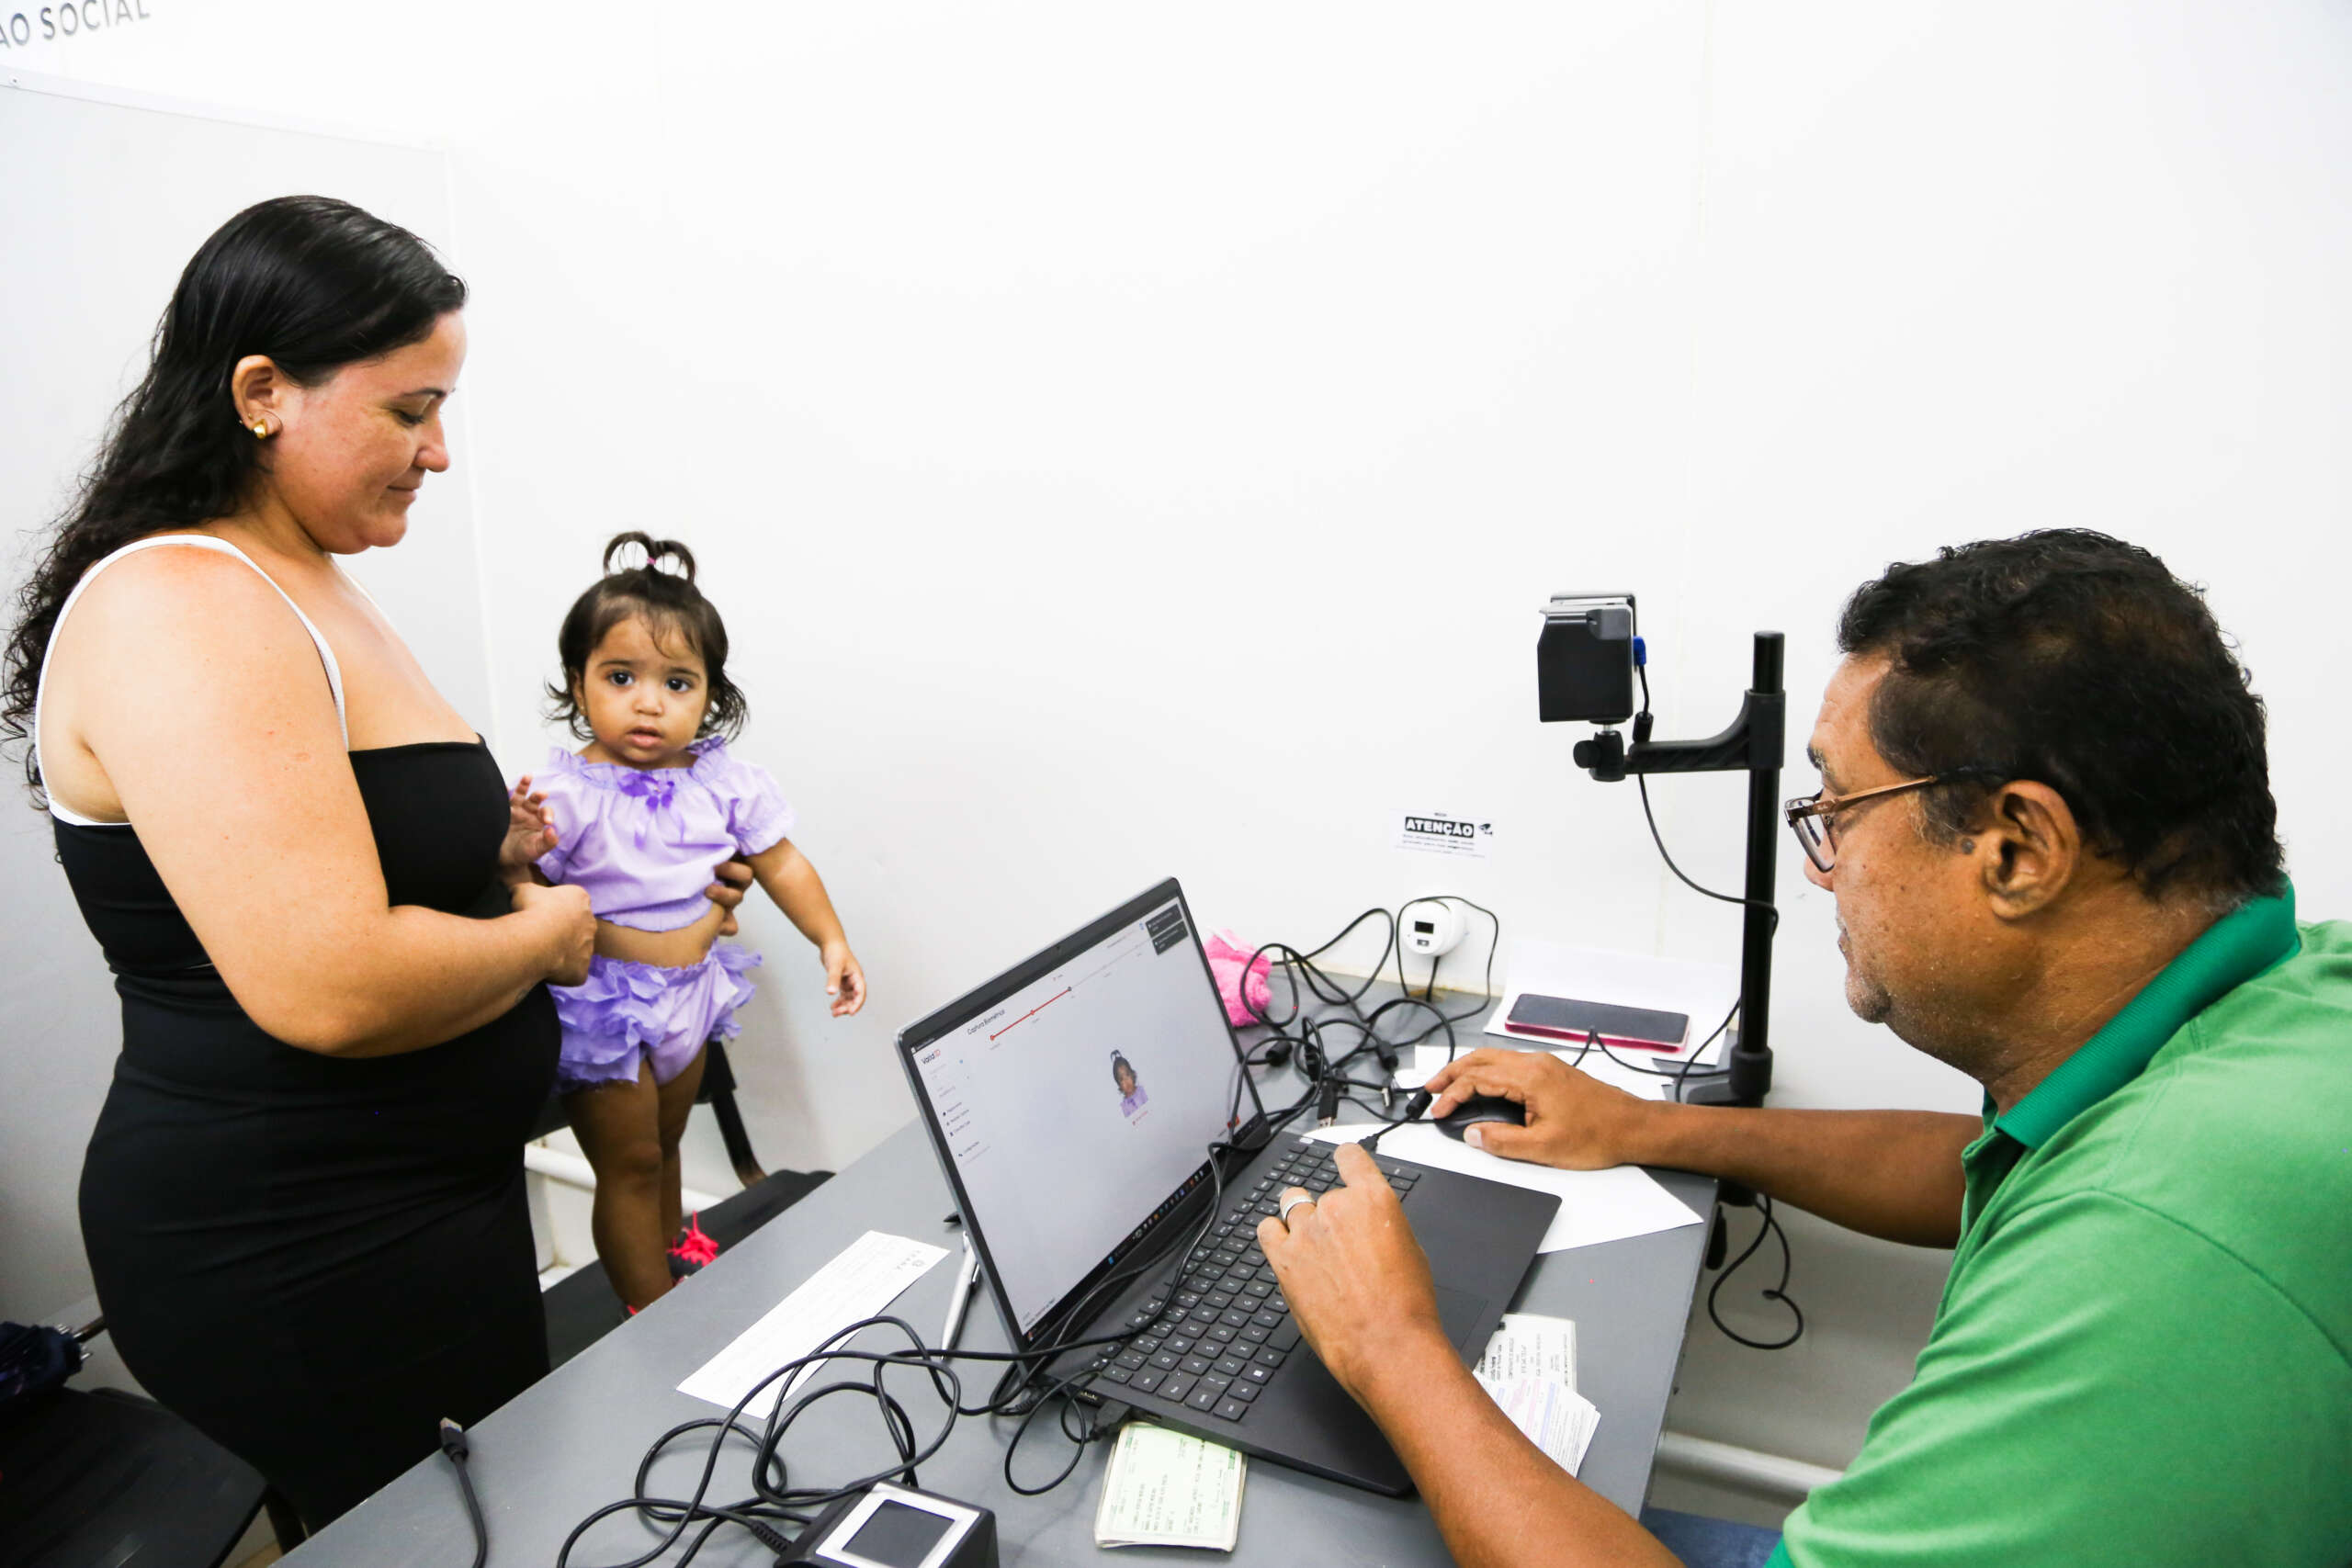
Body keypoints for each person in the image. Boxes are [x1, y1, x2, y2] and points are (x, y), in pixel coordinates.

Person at [1256, 531, 2352, 1568]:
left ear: (2018, 851)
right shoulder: (2286, 1000)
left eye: (1841, 806)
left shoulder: (2151, 1257)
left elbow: (2114, 1220)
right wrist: (1647, 1127)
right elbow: (1991, 1166)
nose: (1822, 864)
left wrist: (1388, 1346)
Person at [534, 532, 866, 1311]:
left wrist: (832, 938)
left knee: (669, 1146)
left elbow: (782, 863)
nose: (649, 701)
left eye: (677, 682)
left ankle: (673, 1261)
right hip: (603, 1009)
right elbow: (529, 899)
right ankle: (648, 1312)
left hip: (690, 993)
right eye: (621, 677)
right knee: (632, 1163)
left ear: (710, 694)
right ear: (579, 684)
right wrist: (515, 851)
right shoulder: (565, 795)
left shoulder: (725, 782)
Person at [1113, 1051, 1148, 1117]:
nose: (1126, 1081)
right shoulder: (1125, 1105)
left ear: (1132, 1074)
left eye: (1127, 1074)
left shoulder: (1141, 1091)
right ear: (1119, 1084)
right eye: (1121, 1079)